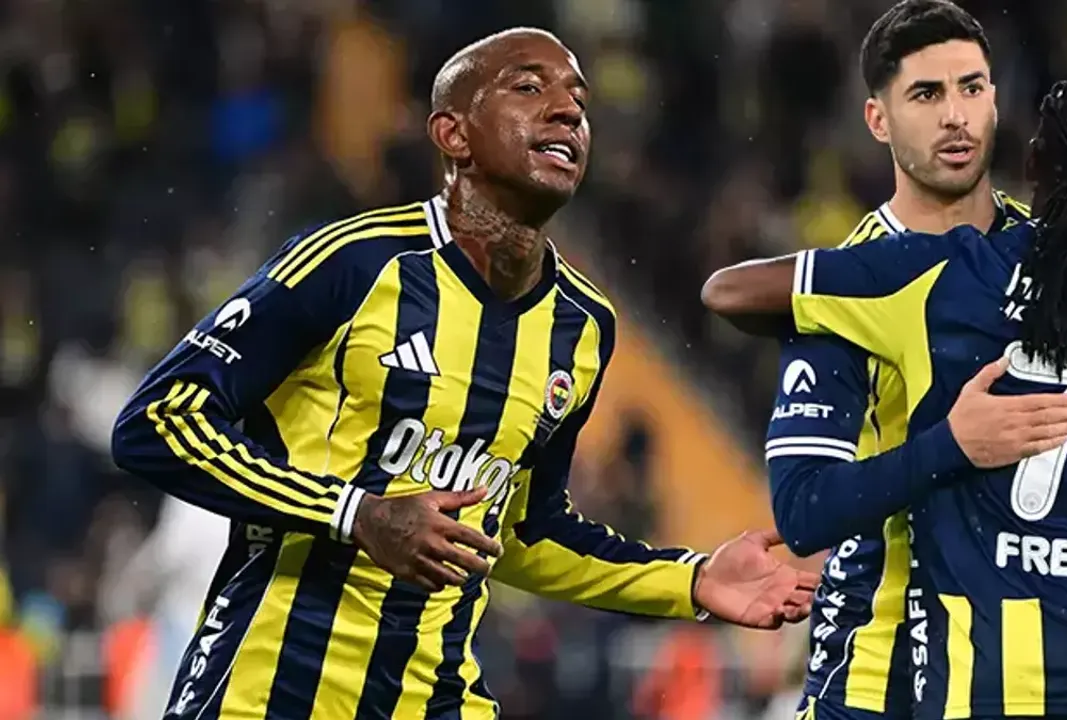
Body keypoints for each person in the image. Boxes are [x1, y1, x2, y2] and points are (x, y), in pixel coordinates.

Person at [111, 28, 818, 719]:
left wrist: (692, 580)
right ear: (453, 134)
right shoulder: (354, 263)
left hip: (437, 695)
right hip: (269, 690)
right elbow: (156, 422)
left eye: (578, 100)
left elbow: (525, 534)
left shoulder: (582, 326)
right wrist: (356, 514)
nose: (567, 111)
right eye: (529, 88)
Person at [730, 2, 1067, 719]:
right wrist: (952, 445)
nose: (955, 117)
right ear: (878, 120)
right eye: (925, 94)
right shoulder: (848, 288)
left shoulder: (1062, 255)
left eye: (971, 87)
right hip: (875, 670)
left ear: (998, 101)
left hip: (1002, 677)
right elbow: (805, 510)